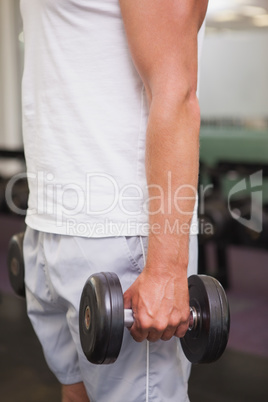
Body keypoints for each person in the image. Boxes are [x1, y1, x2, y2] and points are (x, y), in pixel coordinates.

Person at [20, 0, 208, 401]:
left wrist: (165, 268)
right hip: (52, 222)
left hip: (124, 237)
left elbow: (176, 91)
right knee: (75, 393)